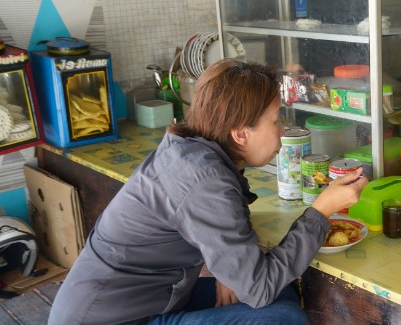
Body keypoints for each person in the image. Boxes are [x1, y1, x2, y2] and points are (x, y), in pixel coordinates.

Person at [48, 59, 368, 324]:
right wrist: (321, 210)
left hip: (149, 296)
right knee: (281, 316)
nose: (283, 131)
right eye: (275, 121)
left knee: (279, 287)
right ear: (240, 133)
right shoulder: (204, 178)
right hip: (116, 318)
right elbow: (258, 288)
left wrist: (225, 268)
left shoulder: (193, 152)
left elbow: (215, 223)